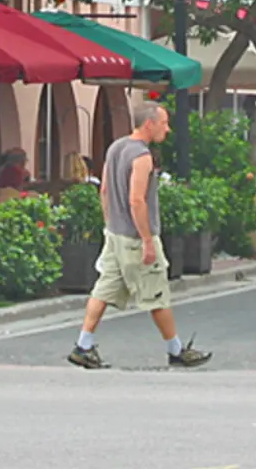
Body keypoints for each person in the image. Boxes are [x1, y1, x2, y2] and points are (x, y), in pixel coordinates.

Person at [67, 101, 212, 371]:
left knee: (104, 289)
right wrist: (147, 239)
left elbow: (105, 191)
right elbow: (137, 200)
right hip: (135, 236)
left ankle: (83, 345)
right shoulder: (141, 156)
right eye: (163, 123)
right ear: (149, 123)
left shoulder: (116, 148)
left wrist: (110, 222)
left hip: (115, 233)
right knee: (156, 293)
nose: (167, 129)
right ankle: (176, 350)